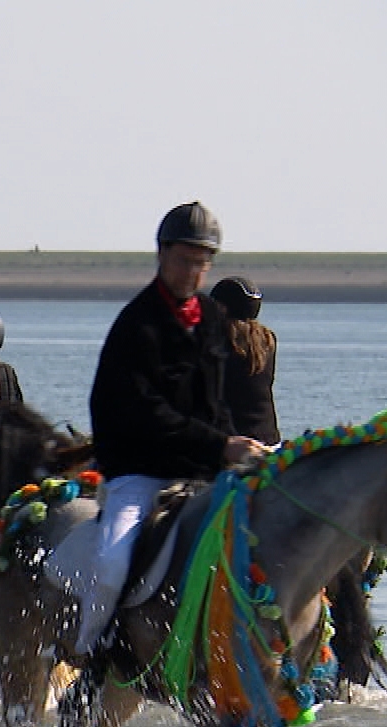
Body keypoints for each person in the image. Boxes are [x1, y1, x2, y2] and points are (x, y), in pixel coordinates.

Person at [75, 202, 265, 659]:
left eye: (202, 263)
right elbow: (145, 412)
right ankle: (93, 649)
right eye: (184, 261)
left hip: (202, 469)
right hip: (138, 471)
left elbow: (215, 402)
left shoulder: (211, 318)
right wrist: (220, 444)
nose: (192, 273)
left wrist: (236, 448)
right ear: (161, 254)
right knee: (111, 562)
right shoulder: (135, 324)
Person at [210, 276, 279, 444]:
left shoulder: (217, 341)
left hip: (235, 445)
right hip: (269, 439)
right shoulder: (267, 340)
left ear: (222, 309)